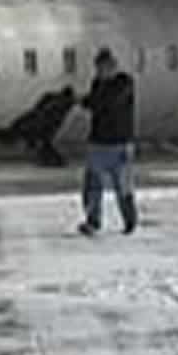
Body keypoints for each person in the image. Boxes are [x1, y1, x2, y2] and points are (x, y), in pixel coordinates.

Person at [77, 50, 138, 236]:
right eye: (98, 68)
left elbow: (108, 103)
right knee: (92, 186)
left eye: (103, 68)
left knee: (123, 187)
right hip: (98, 143)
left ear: (112, 67)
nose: (100, 72)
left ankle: (130, 222)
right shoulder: (98, 85)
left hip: (120, 144)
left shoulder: (124, 83)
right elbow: (95, 102)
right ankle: (93, 221)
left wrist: (90, 100)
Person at [0, 87, 78, 167]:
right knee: (13, 135)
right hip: (33, 126)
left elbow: (38, 109)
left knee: (12, 135)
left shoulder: (51, 98)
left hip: (30, 123)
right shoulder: (59, 102)